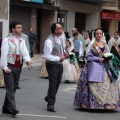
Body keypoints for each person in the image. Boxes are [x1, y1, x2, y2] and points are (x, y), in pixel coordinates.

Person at [74, 28, 120, 109]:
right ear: (95, 35)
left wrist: (109, 58)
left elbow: (108, 54)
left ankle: (106, 103)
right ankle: (92, 103)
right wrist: (98, 59)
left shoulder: (105, 45)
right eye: (97, 34)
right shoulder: (92, 45)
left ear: (102, 35)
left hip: (105, 67)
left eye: (100, 34)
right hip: (94, 67)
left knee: (108, 83)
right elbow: (87, 56)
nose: (99, 35)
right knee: (93, 84)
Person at [1, 21, 31, 116]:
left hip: (18, 66)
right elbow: (3, 55)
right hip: (9, 66)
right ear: (13, 29)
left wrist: (28, 60)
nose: (20, 29)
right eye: (18, 27)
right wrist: (4, 67)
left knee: (13, 88)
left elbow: (25, 52)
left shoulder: (21, 41)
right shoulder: (7, 40)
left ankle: (6, 107)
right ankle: (13, 108)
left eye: (21, 27)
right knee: (10, 88)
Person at [44, 23, 65, 112]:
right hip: (52, 64)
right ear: (55, 30)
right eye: (60, 28)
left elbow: (61, 49)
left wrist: (64, 54)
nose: (62, 28)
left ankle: (49, 97)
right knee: (53, 84)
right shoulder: (49, 41)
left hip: (60, 64)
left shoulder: (61, 38)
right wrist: (58, 58)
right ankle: (50, 104)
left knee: (57, 83)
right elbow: (47, 55)